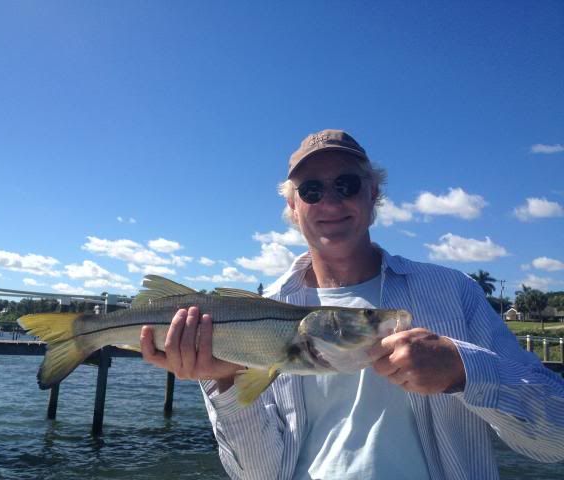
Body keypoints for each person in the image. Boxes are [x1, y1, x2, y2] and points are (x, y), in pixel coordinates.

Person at [140, 129, 564, 479]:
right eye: (311, 190)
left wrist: (462, 371)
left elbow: (554, 439)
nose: (330, 202)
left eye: (346, 184)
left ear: (372, 194)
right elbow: (258, 474)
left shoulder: (453, 292)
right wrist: (225, 385)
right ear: (291, 205)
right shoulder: (260, 309)